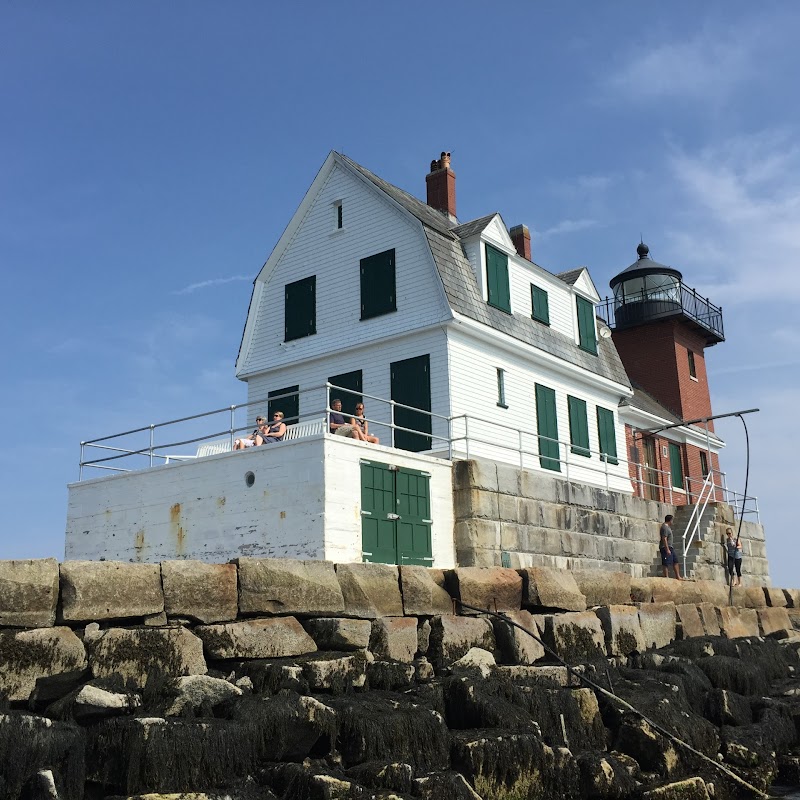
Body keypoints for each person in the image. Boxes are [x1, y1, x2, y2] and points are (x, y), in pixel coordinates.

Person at [660, 514, 683, 580]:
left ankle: (678, 576)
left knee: (675, 561)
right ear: (670, 520)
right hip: (665, 547)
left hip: (671, 547)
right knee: (666, 562)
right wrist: (667, 549)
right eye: (672, 520)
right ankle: (666, 576)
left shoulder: (668, 527)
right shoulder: (665, 527)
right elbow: (664, 538)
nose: (672, 522)